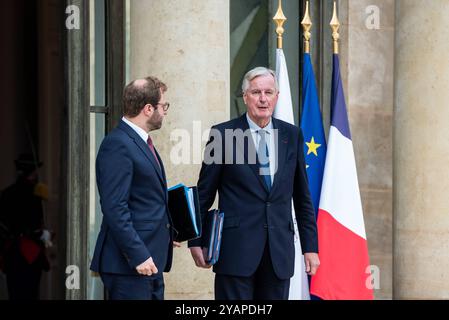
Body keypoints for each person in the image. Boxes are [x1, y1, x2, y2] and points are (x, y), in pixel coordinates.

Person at [189, 67, 320, 300]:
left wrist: (311, 247)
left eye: (269, 92)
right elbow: (204, 194)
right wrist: (195, 240)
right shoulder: (222, 135)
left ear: (276, 97)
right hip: (235, 252)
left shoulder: (292, 135)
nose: (263, 98)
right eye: (256, 92)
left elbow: (302, 197)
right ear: (245, 96)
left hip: (278, 254)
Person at [90, 76, 177, 300]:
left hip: (150, 260)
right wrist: (138, 255)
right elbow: (114, 207)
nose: (164, 111)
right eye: (163, 106)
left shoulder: (140, 141)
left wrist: (168, 232)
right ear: (148, 109)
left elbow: (144, 200)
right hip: (130, 264)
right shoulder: (118, 144)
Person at [0, 154, 50, 300]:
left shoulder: (6, 194)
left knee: (15, 294)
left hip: (12, 255)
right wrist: (44, 234)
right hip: (30, 255)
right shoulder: (34, 195)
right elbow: (36, 227)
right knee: (30, 293)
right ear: (32, 172)